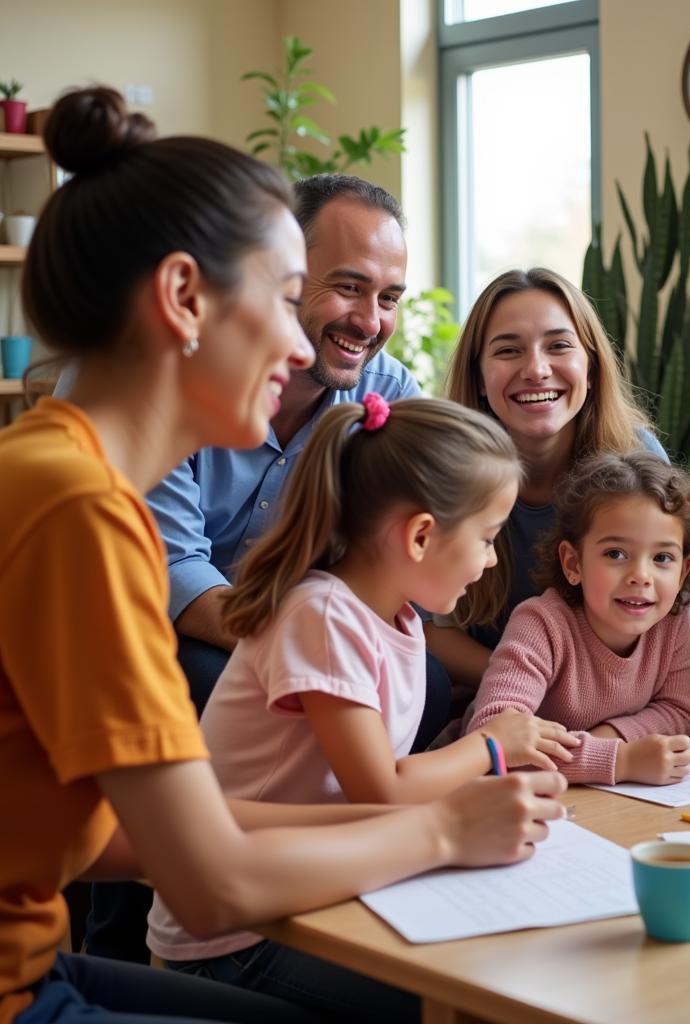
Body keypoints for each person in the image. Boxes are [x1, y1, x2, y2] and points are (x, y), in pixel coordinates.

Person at [0, 86, 566, 1024]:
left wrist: (397, 816)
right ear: (185, 298)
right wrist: (432, 827)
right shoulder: (78, 511)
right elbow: (212, 883)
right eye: (284, 292)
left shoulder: (61, 473)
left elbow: (104, 837)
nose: (304, 335)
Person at [84, 174, 452, 967]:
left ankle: (342, 881)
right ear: (278, 274)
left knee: (433, 684)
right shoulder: (172, 385)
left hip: (296, 619)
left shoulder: (384, 393)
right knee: (193, 675)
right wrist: (291, 634)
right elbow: (175, 568)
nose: (372, 321)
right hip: (171, 627)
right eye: (346, 288)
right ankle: (128, 945)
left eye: (390, 296)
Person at [146, 397, 578, 1013]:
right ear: (422, 534)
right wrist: (488, 746)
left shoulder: (393, 618)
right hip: (238, 934)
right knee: (473, 997)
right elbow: (382, 790)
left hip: (319, 885)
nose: (489, 561)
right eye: (485, 538)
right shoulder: (323, 615)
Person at [428, 267, 667, 689]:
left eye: (558, 346)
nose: (536, 369)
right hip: (486, 702)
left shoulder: (639, 458)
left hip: (610, 699)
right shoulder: (443, 470)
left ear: (590, 368)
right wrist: (525, 685)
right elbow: (429, 631)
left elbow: (663, 616)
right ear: (479, 378)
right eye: (507, 351)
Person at [464, 450, 690, 785]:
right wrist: (621, 759)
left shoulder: (672, 619)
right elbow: (494, 742)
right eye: (616, 554)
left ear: (684, 569)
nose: (641, 576)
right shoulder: (540, 624)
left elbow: (680, 712)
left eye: (661, 557)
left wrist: (608, 736)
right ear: (573, 564)